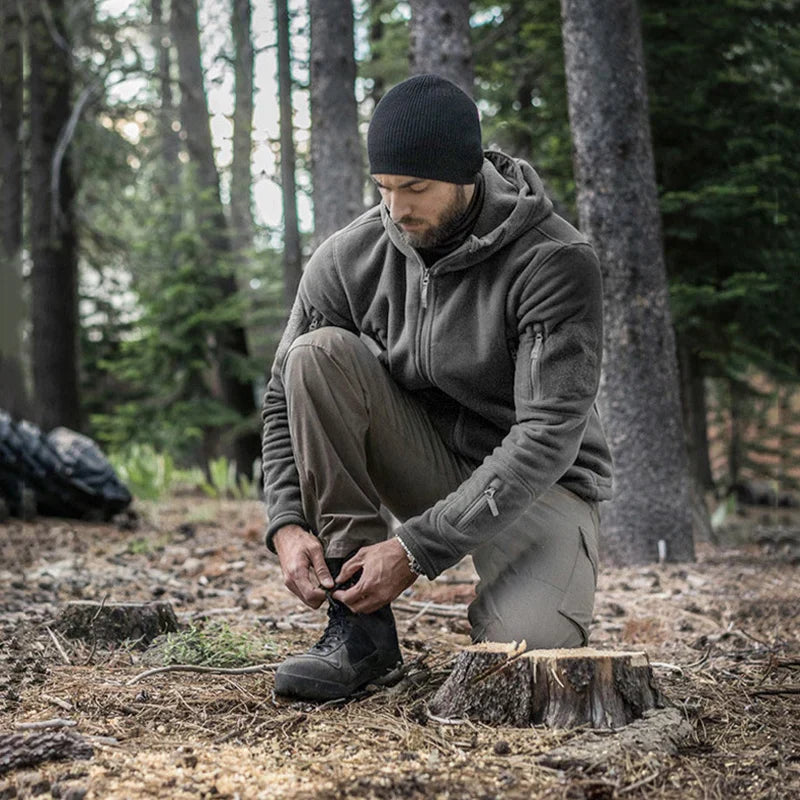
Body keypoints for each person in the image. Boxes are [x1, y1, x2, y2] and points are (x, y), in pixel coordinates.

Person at [262, 74, 613, 701]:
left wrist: (414, 549)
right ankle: (361, 632)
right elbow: (280, 398)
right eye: (384, 187)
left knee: (524, 667)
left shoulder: (554, 260)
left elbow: (545, 436)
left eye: (415, 188)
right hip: (423, 461)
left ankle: (521, 602)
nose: (397, 208)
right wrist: (287, 523)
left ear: (465, 173)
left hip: (539, 491)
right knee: (316, 356)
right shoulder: (347, 258)